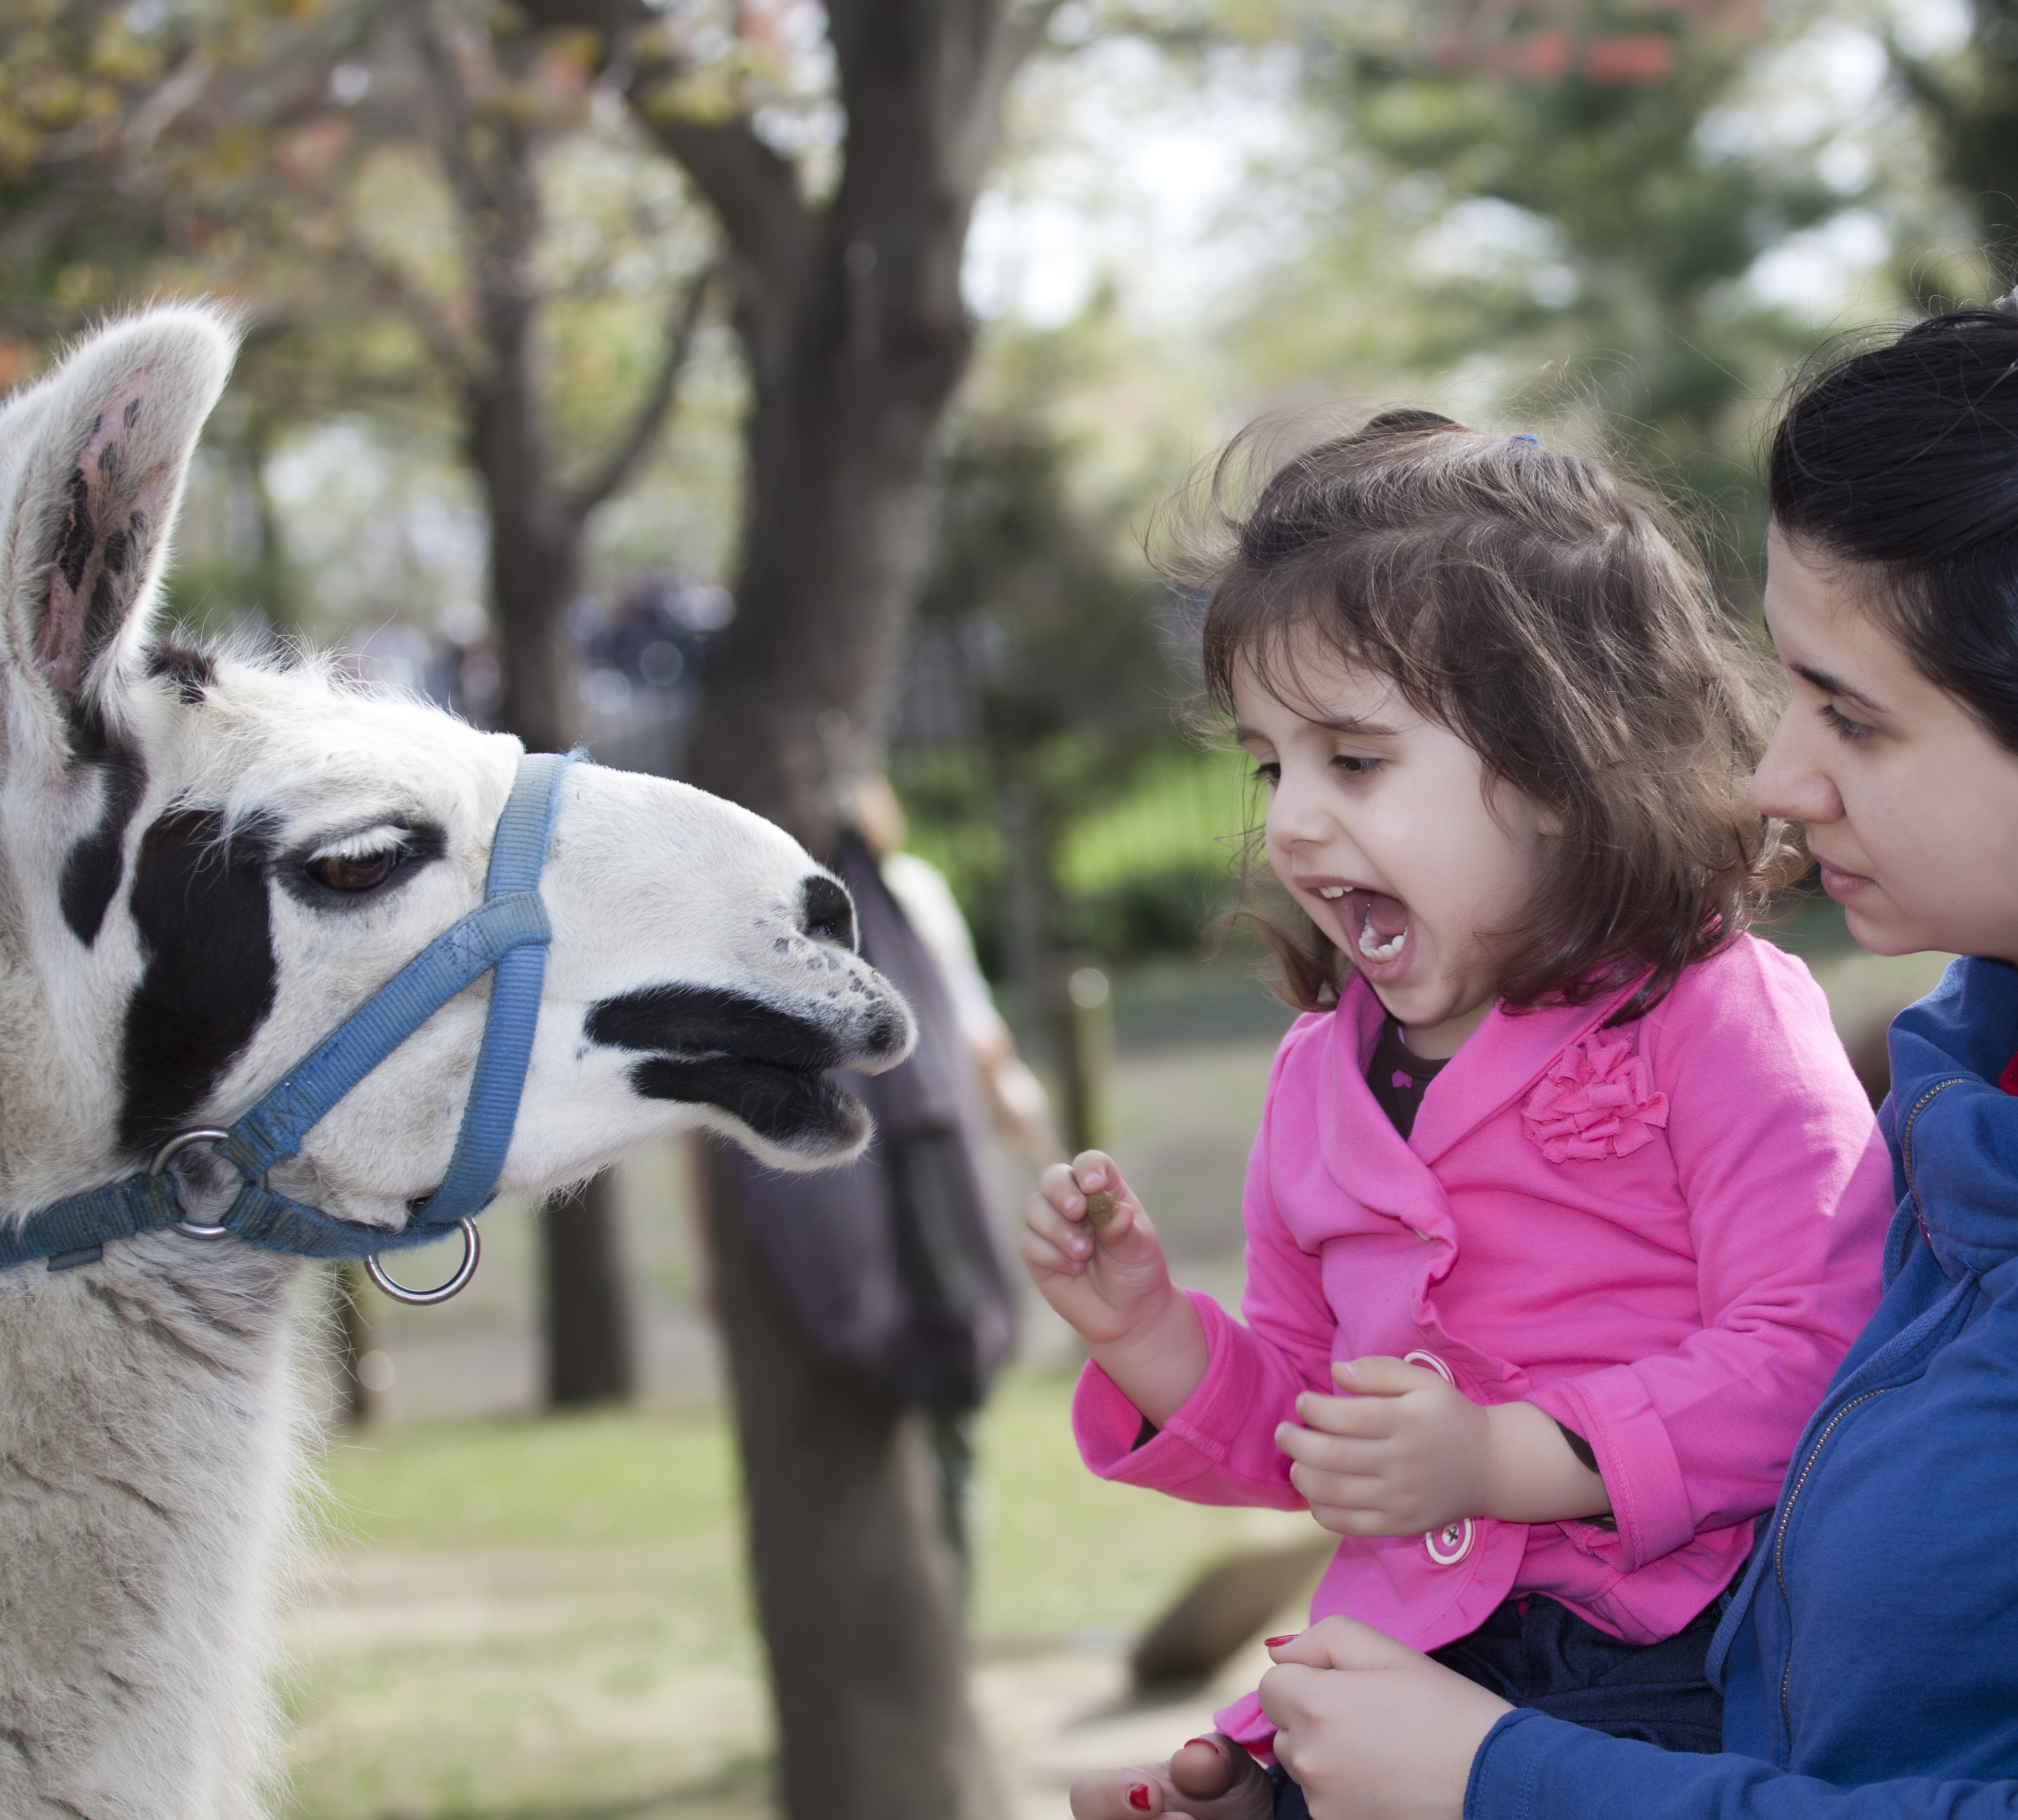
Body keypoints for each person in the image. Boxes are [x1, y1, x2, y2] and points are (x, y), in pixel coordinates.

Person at [1019, 410, 1896, 1813]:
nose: (1293, 823)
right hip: (1398, 1649)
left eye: (1352, 761)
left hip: (1671, 1666)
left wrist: (1504, 1456)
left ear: (1563, 771)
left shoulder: (1720, 1017)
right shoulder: (1323, 1072)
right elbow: (1323, 1439)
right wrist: (1149, 1339)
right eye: (1270, 764)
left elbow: (1824, 1361)